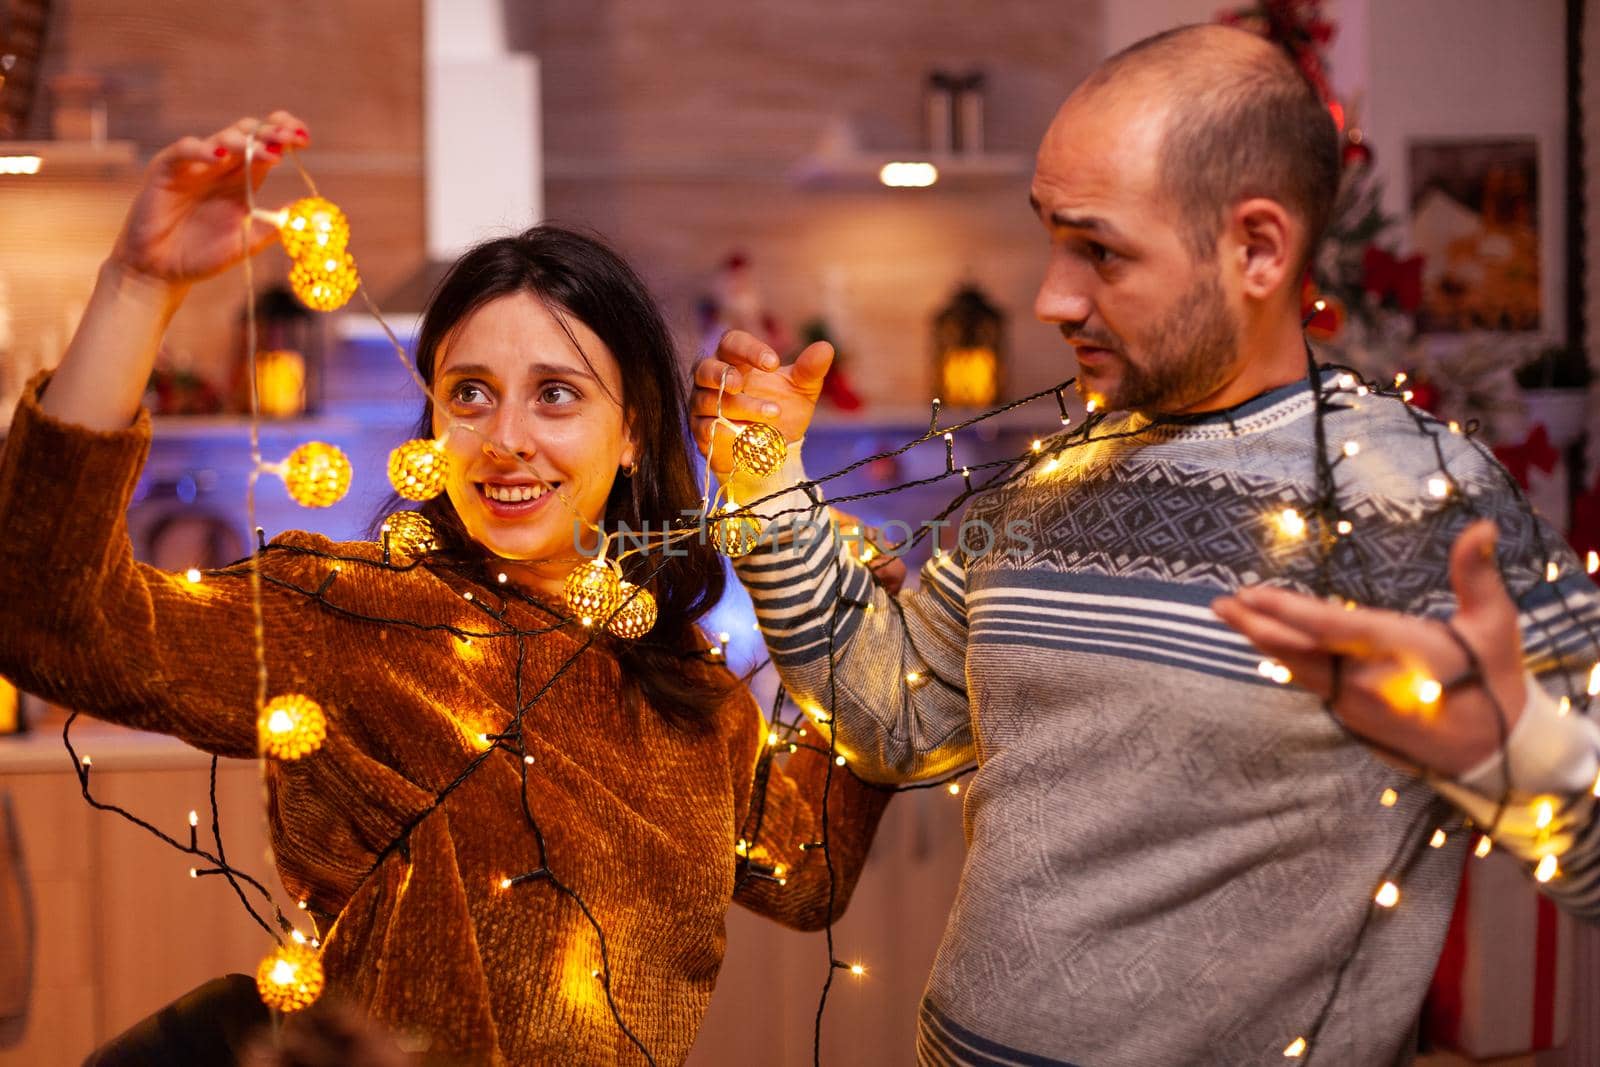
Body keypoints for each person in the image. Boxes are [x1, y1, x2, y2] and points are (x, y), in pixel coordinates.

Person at [692, 24, 1600, 1067]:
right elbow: (890, 713)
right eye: (1049, 237)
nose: (1050, 297)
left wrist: (1512, 746)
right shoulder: (1049, 477)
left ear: (1257, 248)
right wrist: (765, 478)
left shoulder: (1415, 504)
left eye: (1100, 250)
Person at [0, 112, 889, 1064]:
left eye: (556, 393)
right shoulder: (355, 613)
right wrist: (138, 289)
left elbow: (804, 874)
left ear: (632, 431)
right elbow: (50, 617)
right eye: (470, 392)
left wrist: (864, 618)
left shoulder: (684, 680)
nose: (504, 436)